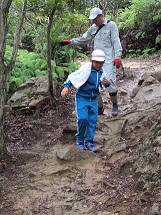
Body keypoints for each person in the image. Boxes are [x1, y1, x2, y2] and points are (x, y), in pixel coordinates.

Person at [59, 7, 122, 116]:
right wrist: (70, 41)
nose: (93, 21)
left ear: (100, 17)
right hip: (96, 59)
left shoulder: (111, 25)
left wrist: (117, 57)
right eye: (92, 20)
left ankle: (115, 105)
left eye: (95, 19)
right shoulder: (93, 28)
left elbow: (116, 42)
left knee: (109, 82)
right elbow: (84, 38)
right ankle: (99, 108)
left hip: (108, 60)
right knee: (94, 83)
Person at [61, 49, 110, 152]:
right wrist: (66, 86)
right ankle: (80, 140)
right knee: (83, 119)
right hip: (82, 98)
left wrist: (107, 83)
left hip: (93, 99)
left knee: (93, 120)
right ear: (91, 60)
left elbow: (104, 84)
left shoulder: (101, 72)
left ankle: (89, 142)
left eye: (101, 62)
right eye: (96, 62)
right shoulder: (85, 69)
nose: (98, 64)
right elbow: (73, 76)